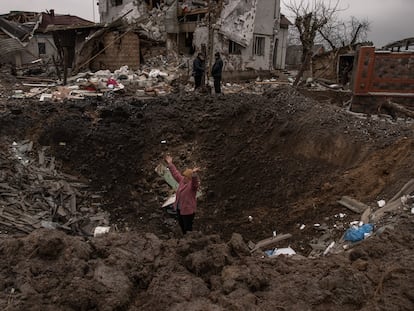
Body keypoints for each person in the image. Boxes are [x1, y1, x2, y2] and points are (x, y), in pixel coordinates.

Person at [165, 155, 200, 234]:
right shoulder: (182, 181)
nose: (184, 178)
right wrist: (170, 164)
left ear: (190, 178)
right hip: (179, 208)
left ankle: (189, 239)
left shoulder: (192, 186)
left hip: (188, 211)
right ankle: (184, 236)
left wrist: (194, 173)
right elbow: (175, 173)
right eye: (184, 176)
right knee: (181, 224)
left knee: (188, 227)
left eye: (186, 177)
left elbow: (195, 182)